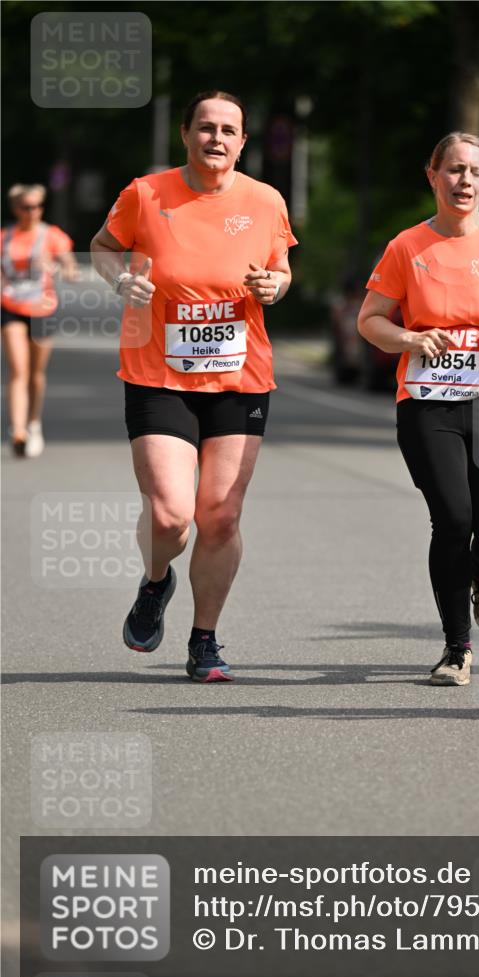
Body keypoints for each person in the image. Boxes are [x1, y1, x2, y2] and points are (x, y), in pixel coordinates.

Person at [90, 90, 297, 683]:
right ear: (186, 134)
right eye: (206, 128)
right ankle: (156, 581)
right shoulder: (146, 193)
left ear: (243, 141)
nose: (217, 139)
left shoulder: (265, 201)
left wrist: (273, 287)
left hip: (240, 377)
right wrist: (120, 281)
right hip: (159, 371)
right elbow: (104, 249)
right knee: (170, 515)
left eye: (229, 130)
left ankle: (204, 639)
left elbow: (281, 270)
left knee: (222, 516)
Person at [358, 132, 479, 687]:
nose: (464, 181)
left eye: (475, 172)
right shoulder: (406, 247)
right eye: (454, 170)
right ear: (433, 175)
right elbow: (371, 319)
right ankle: (456, 648)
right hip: (428, 401)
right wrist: (411, 341)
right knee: (454, 518)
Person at [1, 184, 78, 457]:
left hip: (43, 309)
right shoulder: (4, 237)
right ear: (15, 208)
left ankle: (34, 423)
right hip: (11, 307)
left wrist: (63, 269)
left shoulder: (51, 235)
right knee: (18, 369)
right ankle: (18, 430)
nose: (32, 212)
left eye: (36, 206)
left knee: (35, 374)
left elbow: (69, 263)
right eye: (26, 206)